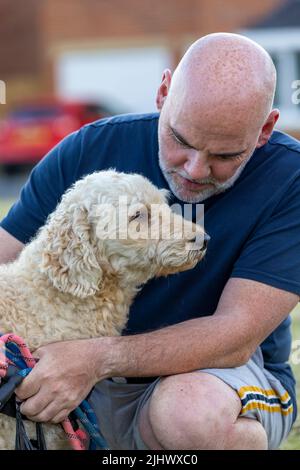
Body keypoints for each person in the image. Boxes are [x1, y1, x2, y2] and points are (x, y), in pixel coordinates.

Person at [0, 32, 299, 450]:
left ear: (265, 128)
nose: (195, 169)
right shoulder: (89, 150)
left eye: (225, 156)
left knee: (189, 412)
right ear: (162, 94)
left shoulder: (289, 181)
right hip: (81, 384)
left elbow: (235, 335)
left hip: (215, 382)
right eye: (181, 140)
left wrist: (97, 358)